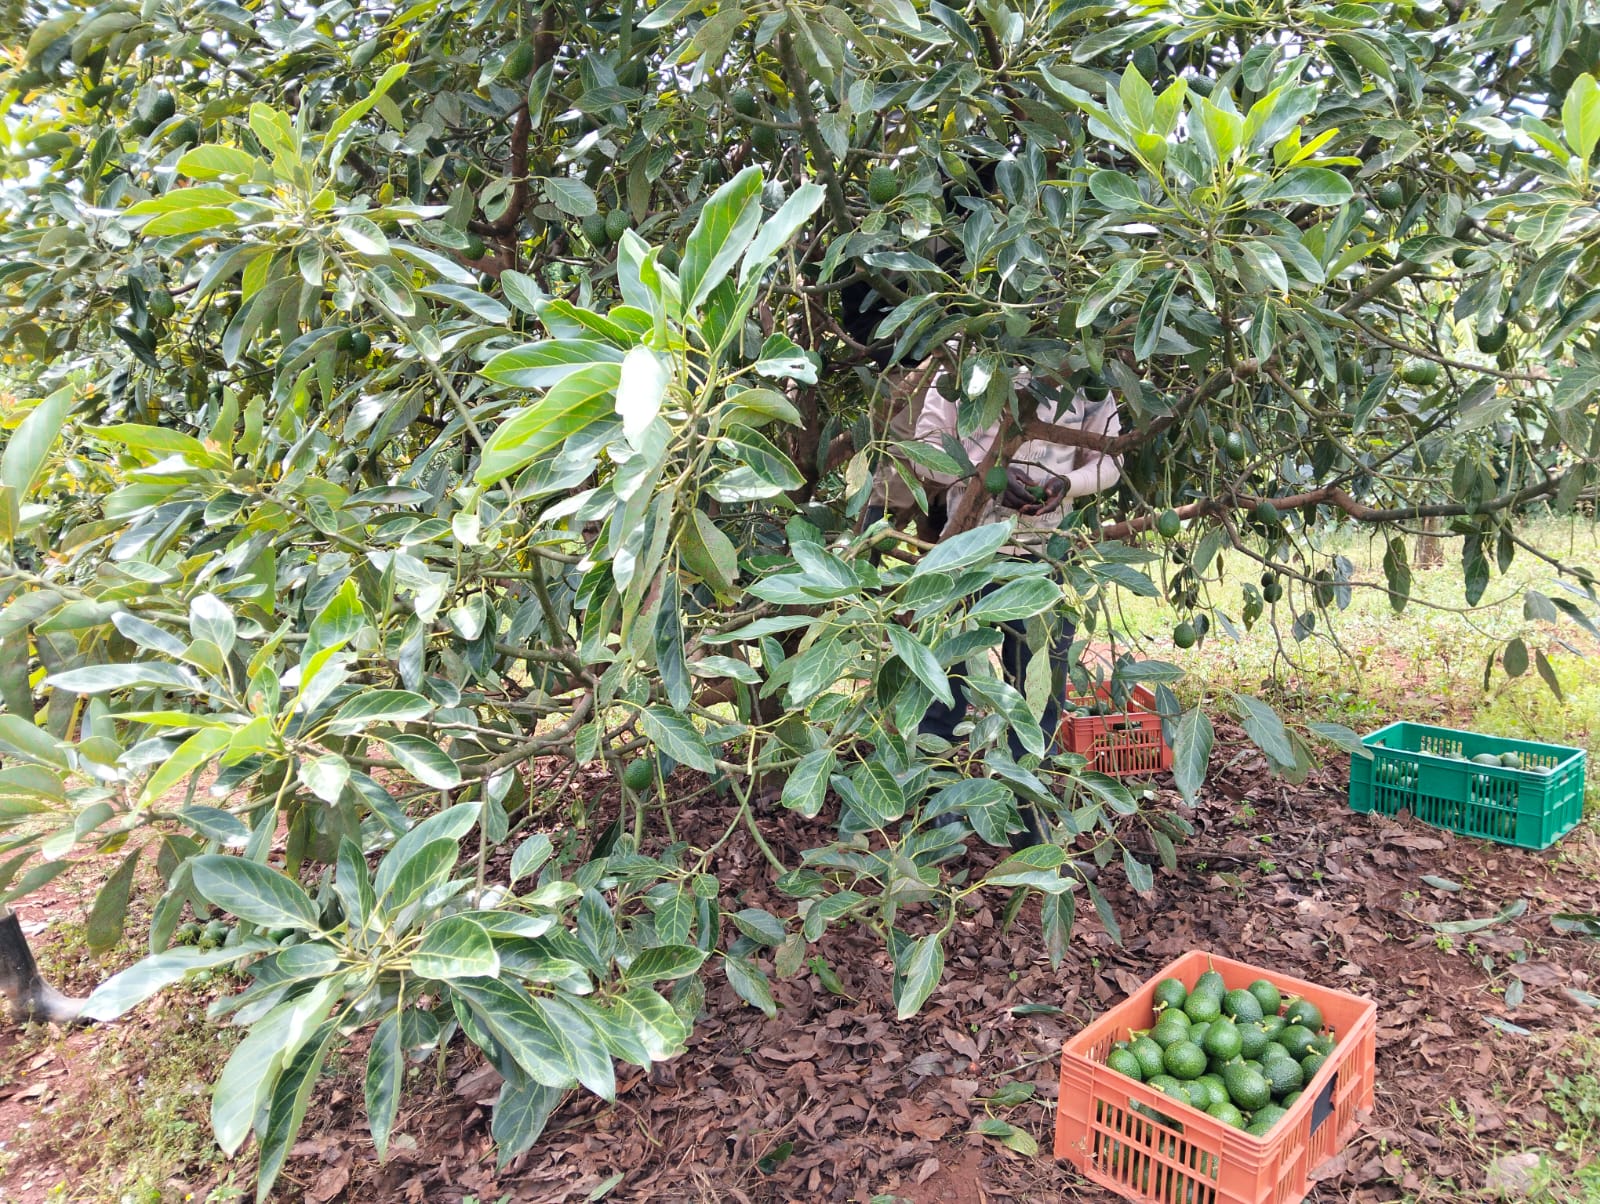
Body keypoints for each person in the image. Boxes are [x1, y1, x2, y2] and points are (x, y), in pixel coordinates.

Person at [872, 359, 1123, 843]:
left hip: (1044, 559)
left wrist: (1069, 484)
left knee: (1037, 694)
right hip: (966, 550)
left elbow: (1111, 456)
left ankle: (1027, 816)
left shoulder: (1087, 375)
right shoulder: (963, 365)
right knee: (942, 687)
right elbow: (923, 450)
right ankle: (935, 813)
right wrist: (980, 472)